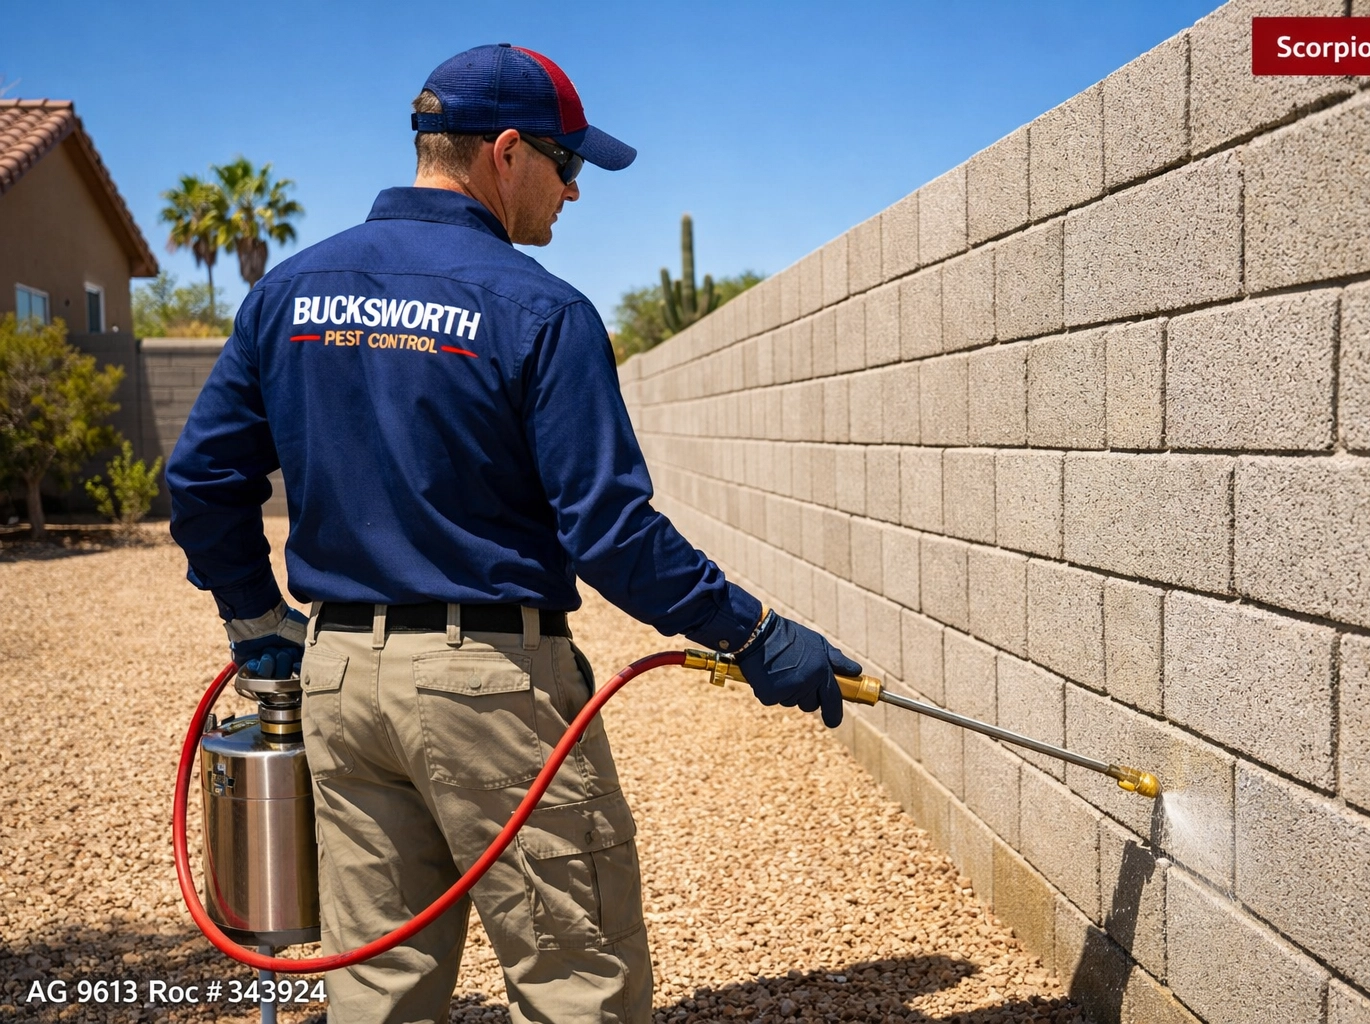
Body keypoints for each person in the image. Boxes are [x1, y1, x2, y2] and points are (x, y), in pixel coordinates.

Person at [166, 43, 859, 1024]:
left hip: (340, 690)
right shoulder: (542, 312)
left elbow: (199, 479)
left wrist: (252, 616)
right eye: (568, 165)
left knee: (378, 987)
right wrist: (754, 635)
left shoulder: (289, 294)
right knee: (576, 982)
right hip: (493, 693)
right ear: (505, 153)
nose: (574, 195)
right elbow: (612, 533)